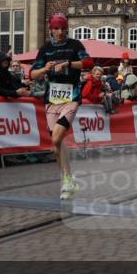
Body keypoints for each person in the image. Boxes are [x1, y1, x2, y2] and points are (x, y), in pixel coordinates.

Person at [30, 14, 92, 200]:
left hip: (71, 97)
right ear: (51, 29)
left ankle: (67, 179)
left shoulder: (75, 45)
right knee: (56, 143)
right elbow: (32, 74)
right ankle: (67, 178)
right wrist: (44, 69)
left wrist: (69, 64)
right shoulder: (46, 48)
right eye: (56, 29)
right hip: (52, 100)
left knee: (57, 136)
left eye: (63, 29)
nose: (60, 32)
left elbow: (89, 63)